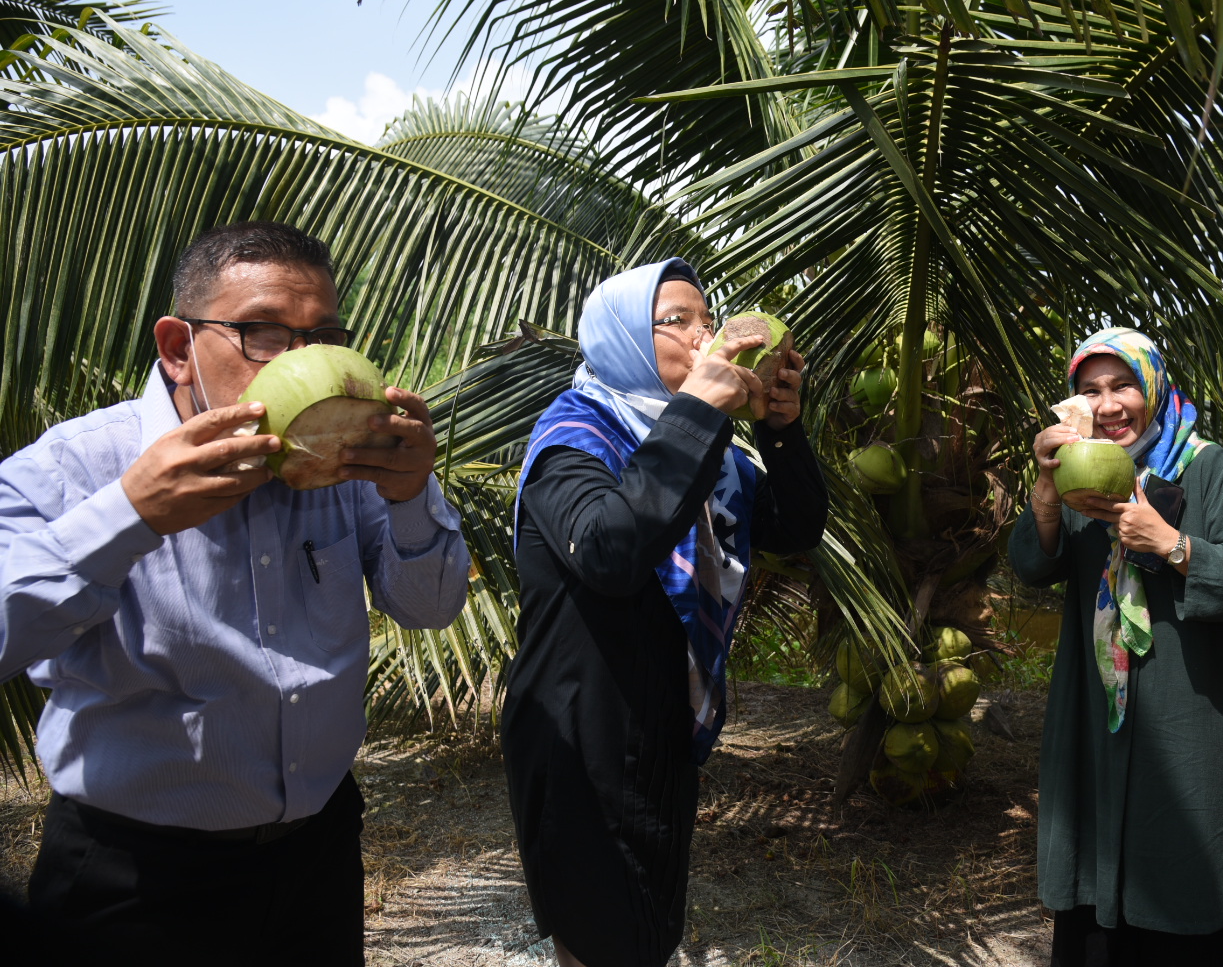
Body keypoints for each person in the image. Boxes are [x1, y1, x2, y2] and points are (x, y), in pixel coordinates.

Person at [0, 221, 471, 965]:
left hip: (316, 853)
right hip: (137, 876)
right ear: (179, 348)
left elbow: (431, 607)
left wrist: (412, 494)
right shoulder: (77, 468)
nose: (300, 361)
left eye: (322, 337)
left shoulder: (345, 464)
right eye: (263, 334)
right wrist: (129, 516)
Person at [501, 259, 827, 967]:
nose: (706, 334)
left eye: (708, 317)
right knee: (600, 936)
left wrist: (781, 429)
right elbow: (610, 552)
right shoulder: (572, 438)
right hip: (580, 733)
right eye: (677, 321)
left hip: (662, 723)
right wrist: (700, 411)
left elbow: (795, 527)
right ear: (621, 339)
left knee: (649, 928)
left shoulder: (712, 454)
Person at [1008, 327, 1223, 967]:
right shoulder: (1081, 471)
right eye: (1090, 391)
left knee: (1189, 858)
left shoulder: (1206, 466)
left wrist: (1172, 545)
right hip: (1097, 706)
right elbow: (1032, 566)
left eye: (1123, 385)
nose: (1107, 406)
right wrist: (1046, 491)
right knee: (1097, 871)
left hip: (1190, 707)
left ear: (1153, 386)